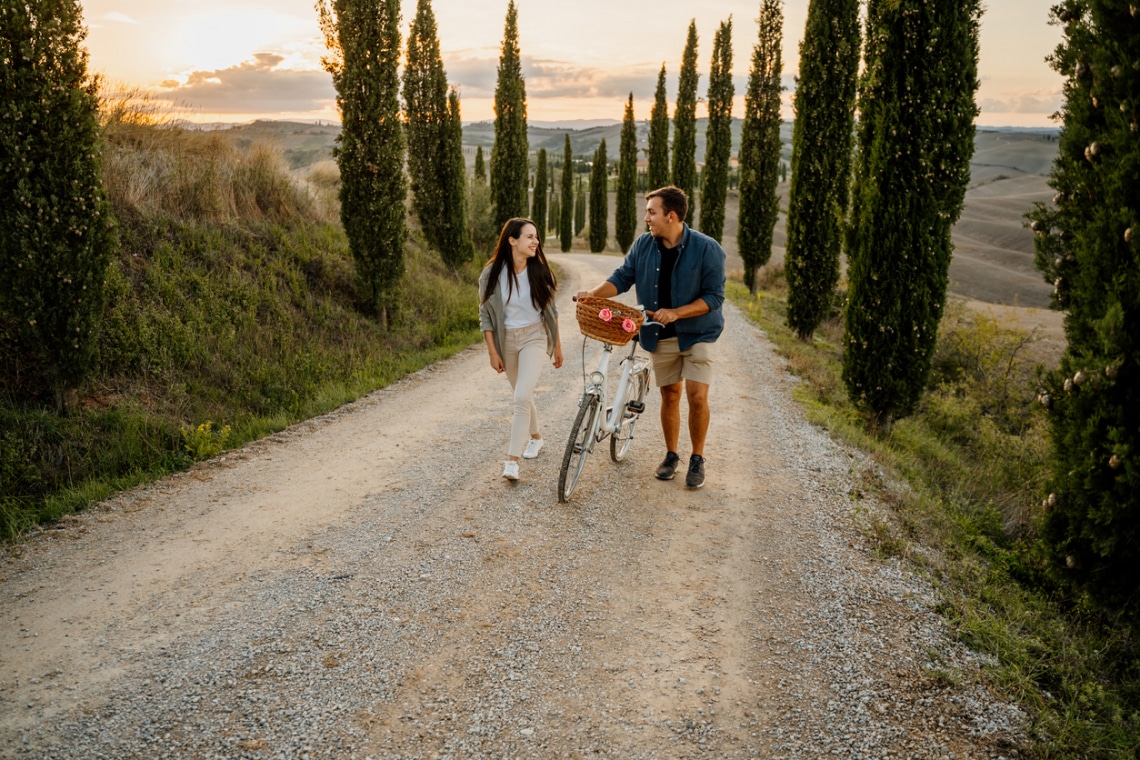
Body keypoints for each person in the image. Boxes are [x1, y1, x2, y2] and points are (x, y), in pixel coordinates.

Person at [576, 186, 725, 489]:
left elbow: (714, 297)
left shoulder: (708, 248)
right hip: (659, 334)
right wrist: (592, 294)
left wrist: (677, 313)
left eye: (651, 212)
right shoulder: (644, 245)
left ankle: (697, 458)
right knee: (670, 394)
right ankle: (672, 455)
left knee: (697, 397)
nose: (646, 218)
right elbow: (622, 277)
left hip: (699, 333)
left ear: (671, 216)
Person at [479, 218, 564, 481]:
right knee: (522, 395)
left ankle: (512, 461)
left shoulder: (540, 271)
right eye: (529, 237)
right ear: (512, 240)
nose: (535, 242)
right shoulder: (491, 273)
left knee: (520, 397)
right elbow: (485, 316)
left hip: (535, 337)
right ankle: (536, 438)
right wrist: (493, 352)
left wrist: (558, 346)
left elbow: (552, 312)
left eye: (536, 237)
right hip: (507, 342)